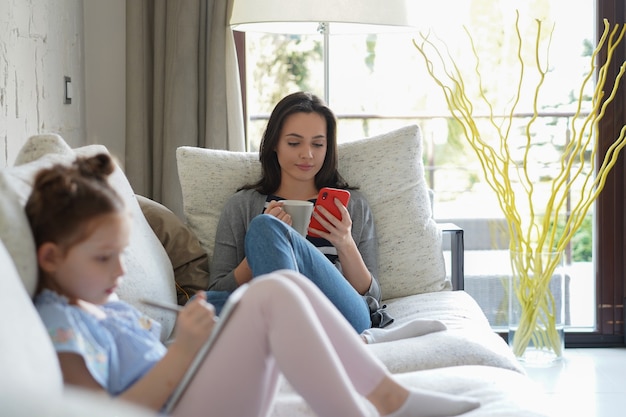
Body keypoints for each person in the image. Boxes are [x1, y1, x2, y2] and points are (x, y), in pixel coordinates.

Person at [26, 153, 480, 417]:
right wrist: (183, 351)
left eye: (119, 256)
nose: (118, 273)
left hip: (194, 391)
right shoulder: (60, 325)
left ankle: (385, 394)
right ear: (51, 257)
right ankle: (376, 399)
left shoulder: (102, 309)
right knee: (266, 291)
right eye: (103, 258)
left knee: (277, 290)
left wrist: (196, 347)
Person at [208, 92, 443, 341]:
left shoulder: (353, 206)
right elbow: (218, 291)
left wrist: (345, 243)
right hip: (279, 316)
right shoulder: (241, 206)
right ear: (275, 143)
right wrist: (260, 250)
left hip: (339, 314)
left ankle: (286, 336)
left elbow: (372, 296)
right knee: (262, 231)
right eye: (294, 143)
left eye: (318, 144)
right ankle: (298, 335)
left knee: (264, 232)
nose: (307, 154)